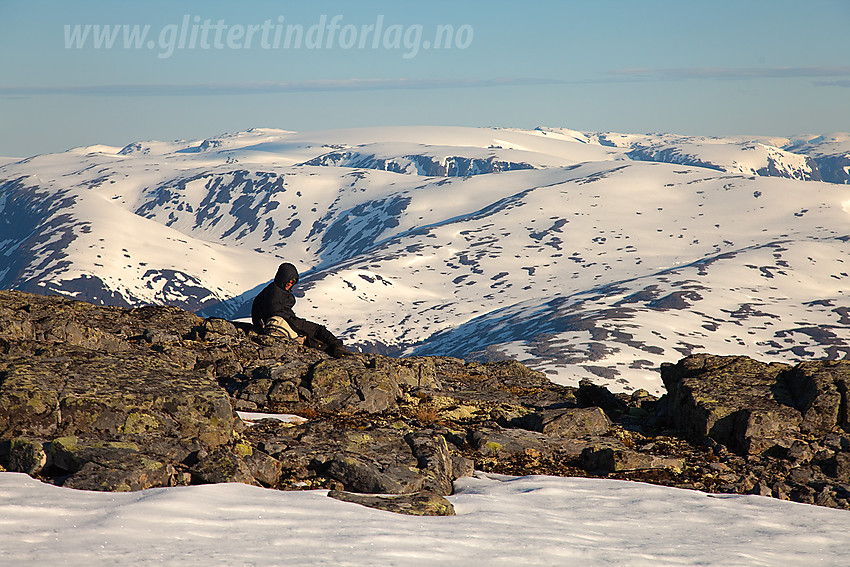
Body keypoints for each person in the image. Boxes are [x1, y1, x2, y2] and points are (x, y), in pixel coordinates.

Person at [251, 262, 355, 358]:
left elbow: (256, 312)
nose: (290, 283)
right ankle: (337, 347)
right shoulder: (276, 293)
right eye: (290, 280)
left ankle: (332, 350)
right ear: (284, 278)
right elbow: (277, 311)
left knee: (309, 337)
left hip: (280, 322)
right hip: (285, 321)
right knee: (318, 330)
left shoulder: (268, 291)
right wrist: (295, 323)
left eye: (293, 281)